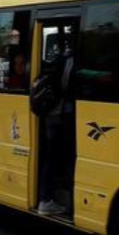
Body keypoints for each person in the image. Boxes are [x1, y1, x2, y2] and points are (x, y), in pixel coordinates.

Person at [36, 34, 74, 216]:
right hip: (61, 116)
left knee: (52, 158)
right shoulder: (72, 62)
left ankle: (48, 198)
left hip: (52, 114)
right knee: (61, 158)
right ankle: (48, 199)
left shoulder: (60, 60)